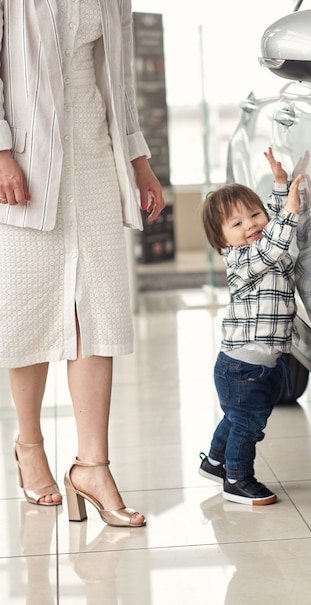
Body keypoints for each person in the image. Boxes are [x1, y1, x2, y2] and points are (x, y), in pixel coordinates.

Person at [0, 1, 165, 527]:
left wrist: (138, 161)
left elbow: (117, 77)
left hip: (95, 152)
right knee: (30, 307)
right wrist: (0, 152)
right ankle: (29, 444)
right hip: (26, 156)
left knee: (97, 309)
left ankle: (93, 465)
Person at [199, 148, 303, 505]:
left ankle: (215, 461)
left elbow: (271, 224)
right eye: (237, 224)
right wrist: (290, 211)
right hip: (243, 367)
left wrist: (279, 184)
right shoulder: (242, 260)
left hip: (254, 365)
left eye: (254, 215)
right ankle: (237, 478)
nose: (252, 225)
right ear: (221, 240)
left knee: (237, 417)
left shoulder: (259, 238)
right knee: (248, 425)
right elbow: (273, 245)